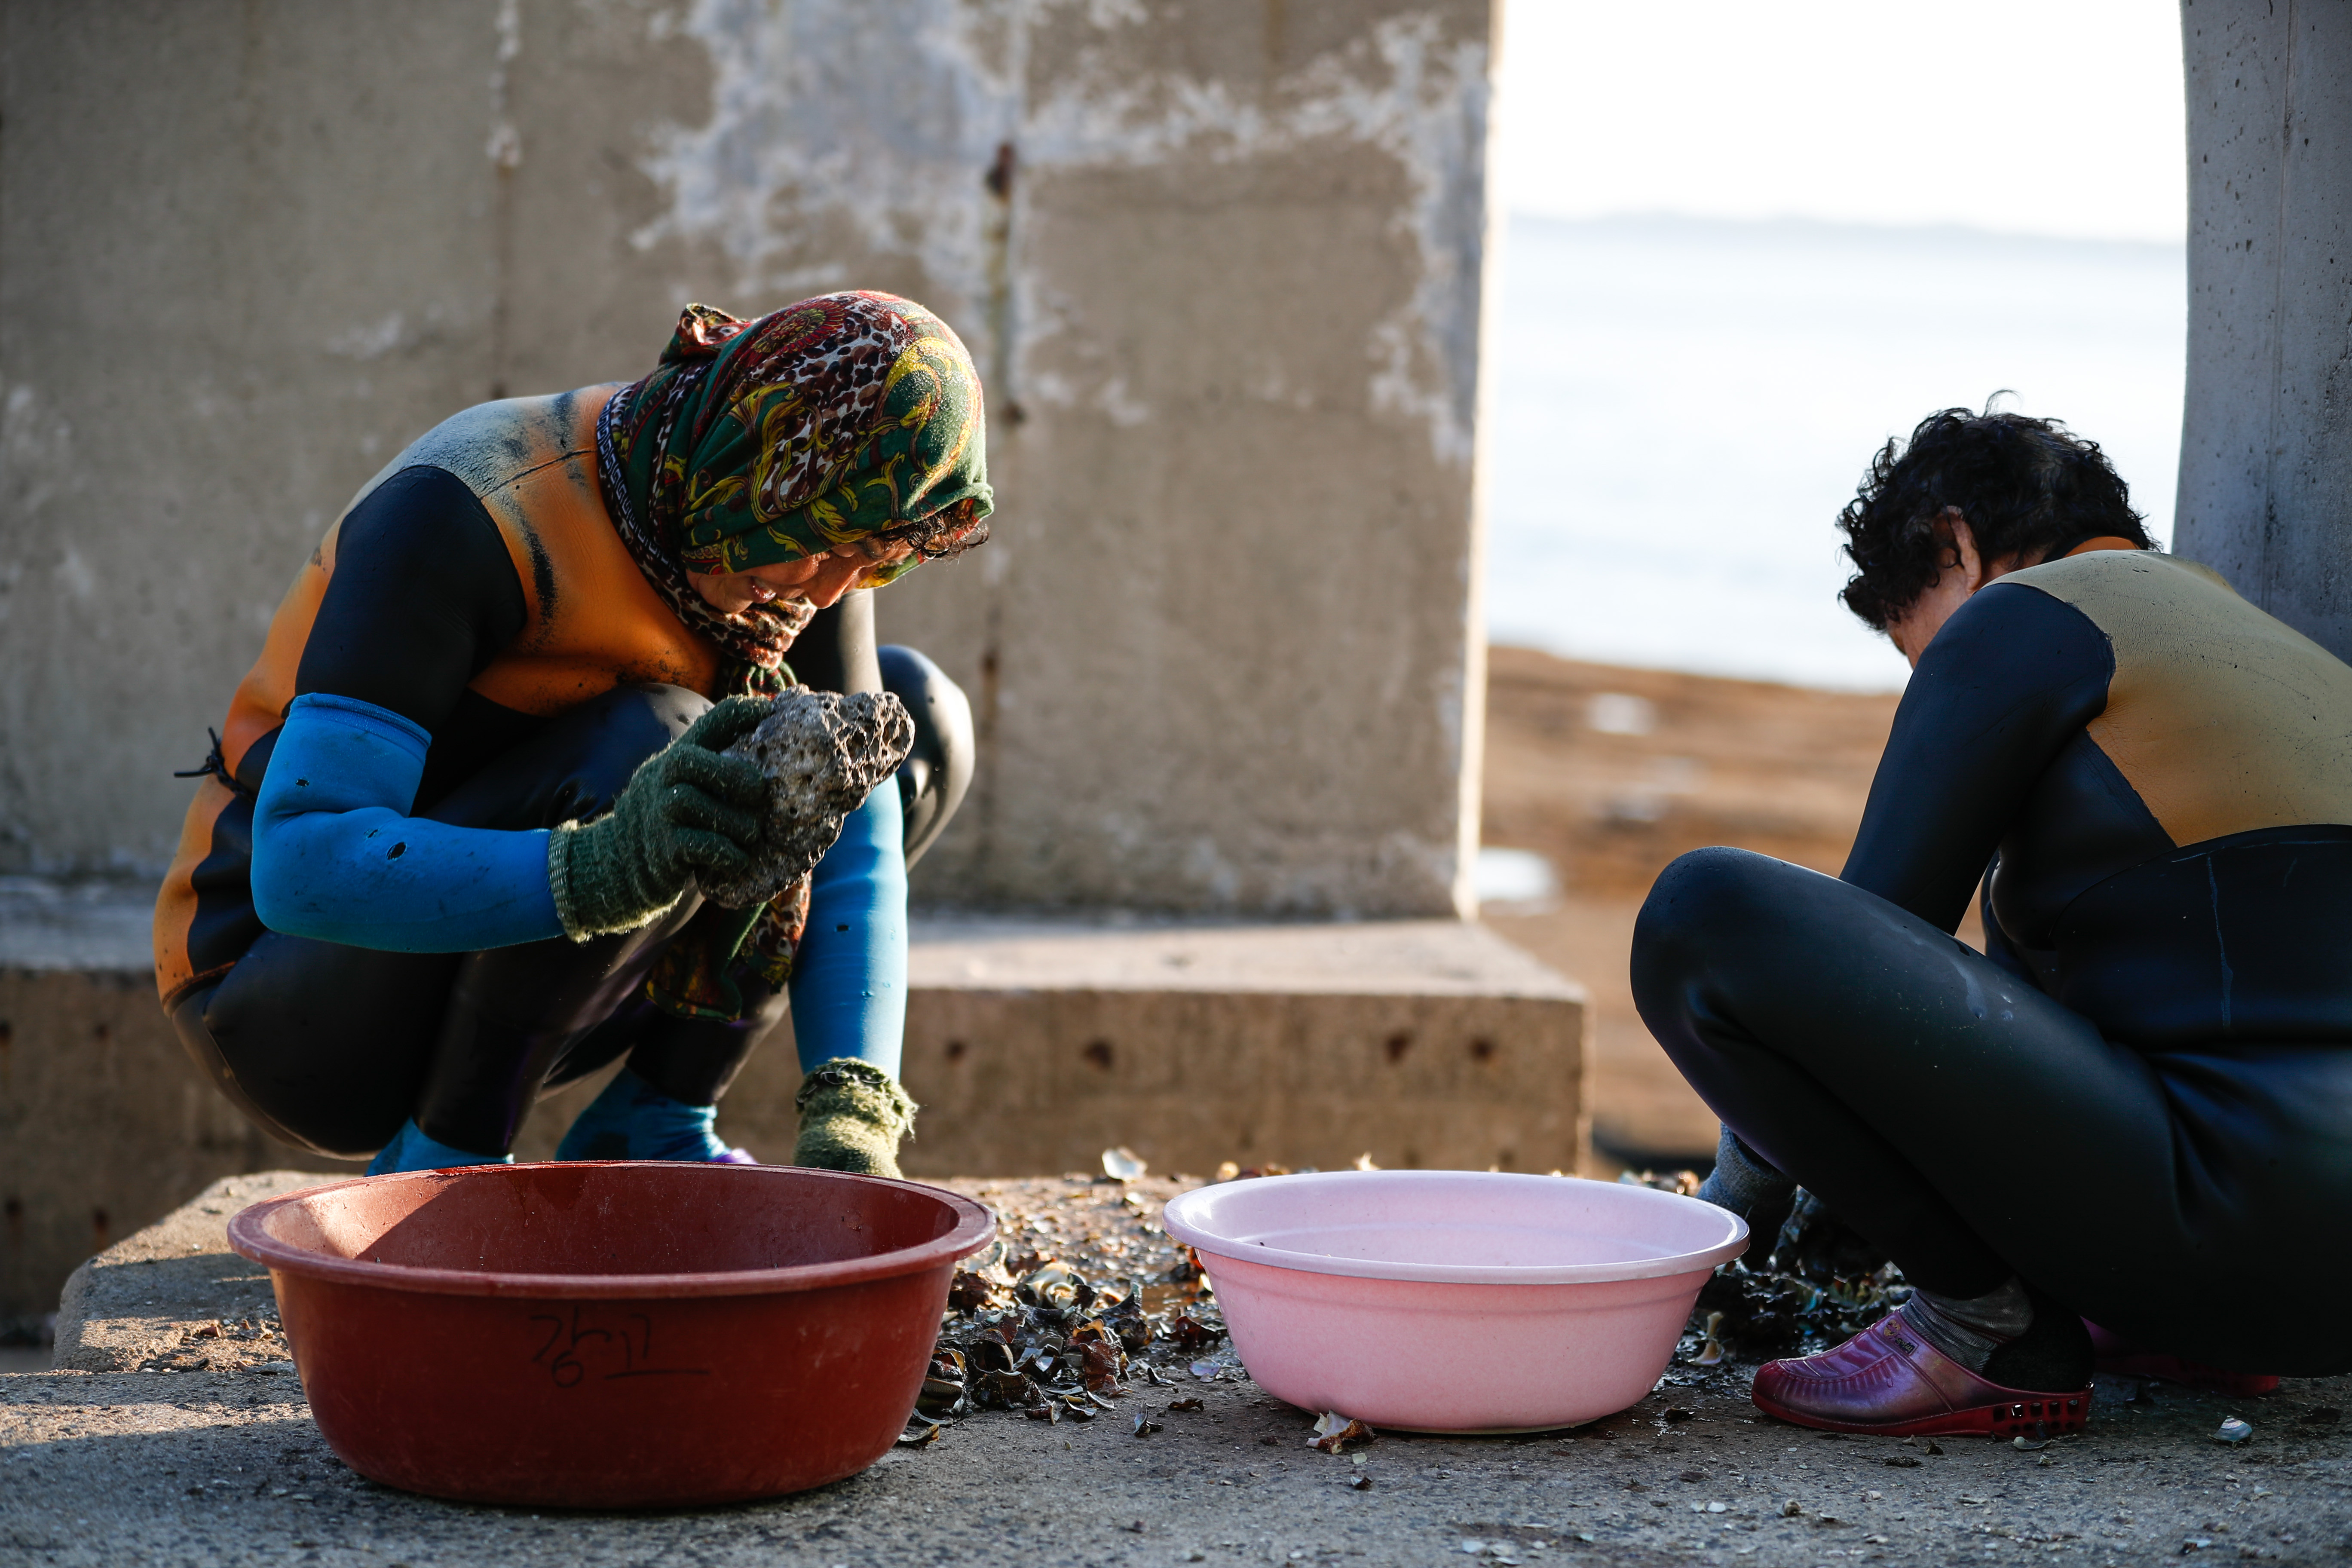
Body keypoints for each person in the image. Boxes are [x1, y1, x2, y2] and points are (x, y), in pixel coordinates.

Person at [1632, 404, 2352, 1436]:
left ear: (1956, 546)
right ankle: (2169, 1335)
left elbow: (1861, 945)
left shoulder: (2028, 617)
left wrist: (1735, 1209)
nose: (1935, 686)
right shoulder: (2261, 649)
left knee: (1704, 914)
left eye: (1921, 653)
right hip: (2316, 1298)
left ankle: (1985, 1331)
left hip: (2236, 1218)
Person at [152, 291, 984, 1179]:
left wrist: (851, 1113)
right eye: (825, 547)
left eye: (871, 559)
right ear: (761, 457)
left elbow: (851, 835)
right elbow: (300, 869)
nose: (825, 591)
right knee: (658, 740)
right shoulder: (468, 510)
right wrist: (605, 866)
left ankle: (659, 1117)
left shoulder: (794, 524)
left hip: (559, 981)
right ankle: (447, 1162)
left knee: (908, 718)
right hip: (295, 1006)